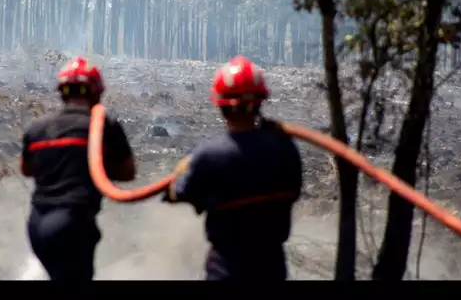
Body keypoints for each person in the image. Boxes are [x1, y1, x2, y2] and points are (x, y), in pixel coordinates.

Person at [163, 56, 303, 280]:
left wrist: (178, 178)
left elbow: (180, 192)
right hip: (272, 268)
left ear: (220, 104)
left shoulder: (209, 155)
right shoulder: (286, 149)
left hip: (227, 269)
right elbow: (294, 191)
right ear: (260, 102)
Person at [20, 57, 136, 281]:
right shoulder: (104, 127)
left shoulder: (37, 128)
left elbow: (26, 170)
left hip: (36, 224)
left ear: (62, 92)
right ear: (97, 92)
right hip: (73, 223)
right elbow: (127, 173)